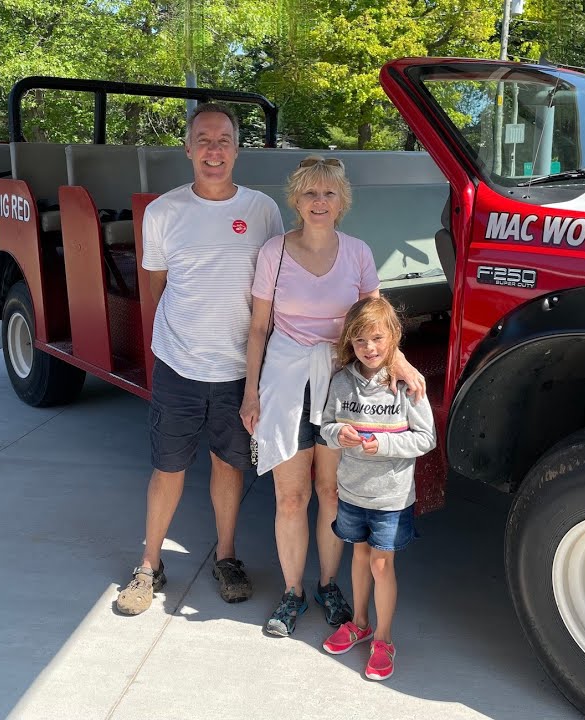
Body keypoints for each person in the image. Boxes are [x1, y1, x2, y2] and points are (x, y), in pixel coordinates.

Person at [240, 155, 426, 638]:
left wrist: (399, 360)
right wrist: (250, 393)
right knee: (290, 496)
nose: (318, 202)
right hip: (284, 381)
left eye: (328, 194)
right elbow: (259, 328)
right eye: (309, 193)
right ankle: (291, 592)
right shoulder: (273, 253)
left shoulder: (359, 253)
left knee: (330, 493)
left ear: (342, 201)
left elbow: (377, 323)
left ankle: (327, 584)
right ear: (295, 200)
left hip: (340, 383)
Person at [115, 102, 285, 616]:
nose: (214, 150)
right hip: (179, 365)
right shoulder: (163, 212)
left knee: (229, 465)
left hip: (239, 370)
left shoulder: (263, 211)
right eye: (204, 140)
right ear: (188, 149)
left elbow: (272, 293)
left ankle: (226, 557)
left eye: (224, 140)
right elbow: (156, 288)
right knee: (168, 468)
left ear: (238, 149)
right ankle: (149, 565)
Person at [317, 296, 436, 681]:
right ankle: (360, 622)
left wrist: (382, 444)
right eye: (360, 341)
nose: (369, 348)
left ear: (393, 338)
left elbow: (426, 439)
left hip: (390, 497)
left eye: (376, 339)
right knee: (359, 557)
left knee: (381, 565)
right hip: (352, 492)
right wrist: (340, 434)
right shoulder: (342, 381)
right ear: (350, 344)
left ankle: (383, 638)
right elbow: (327, 427)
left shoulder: (406, 385)